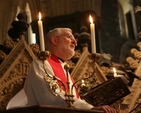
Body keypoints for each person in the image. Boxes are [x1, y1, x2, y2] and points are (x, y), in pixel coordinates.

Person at [7, 28, 118, 113]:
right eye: (69, 37)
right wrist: (90, 108)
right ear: (55, 40)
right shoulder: (41, 63)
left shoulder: (64, 67)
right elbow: (52, 97)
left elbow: (71, 100)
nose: (75, 42)